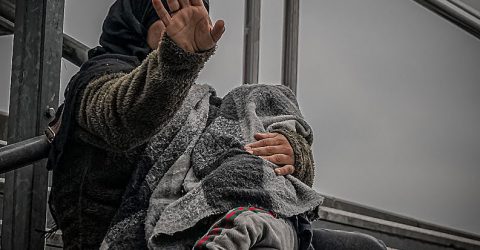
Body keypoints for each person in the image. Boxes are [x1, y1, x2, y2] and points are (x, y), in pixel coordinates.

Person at [46, 0, 386, 249]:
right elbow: (126, 117)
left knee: (366, 247)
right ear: (141, 16)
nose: (185, 16)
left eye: (193, 6)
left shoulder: (200, 101)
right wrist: (178, 59)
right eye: (171, 7)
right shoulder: (95, 85)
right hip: (136, 236)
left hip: (217, 220)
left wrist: (292, 153)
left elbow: (239, 149)